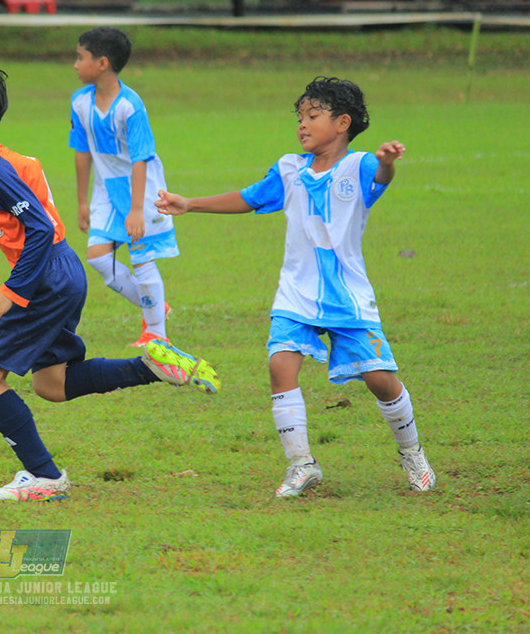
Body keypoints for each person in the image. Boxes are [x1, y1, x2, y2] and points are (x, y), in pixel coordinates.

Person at [0, 59, 220, 502]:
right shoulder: (5, 161)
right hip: (60, 271)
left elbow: (40, 231)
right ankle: (151, 367)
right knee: (51, 384)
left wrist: (13, 291)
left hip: (46, 276)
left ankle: (44, 477)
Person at [156, 76, 436, 498]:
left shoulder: (357, 166)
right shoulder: (289, 168)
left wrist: (387, 161)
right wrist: (190, 204)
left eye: (313, 116)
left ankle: (412, 452)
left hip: (348, 296)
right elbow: (249, 197)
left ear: (342, 123)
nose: (302, 125)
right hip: (296, 293)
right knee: (280, 366)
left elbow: (381, 176)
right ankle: (302, 464)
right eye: (300, 117)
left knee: (380, 379)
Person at [70, 26, 179, 347]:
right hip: (105, 189)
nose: (75, 64)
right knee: (97, 257)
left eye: (80, 57)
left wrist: (136, 209)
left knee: (141, 259)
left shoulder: (131, 106)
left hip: (141, 189)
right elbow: (81, 151)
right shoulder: (79, 102)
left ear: (102, 63)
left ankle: (156, 332)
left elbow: (140, 158)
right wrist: (81, 202)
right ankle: (157, 306)